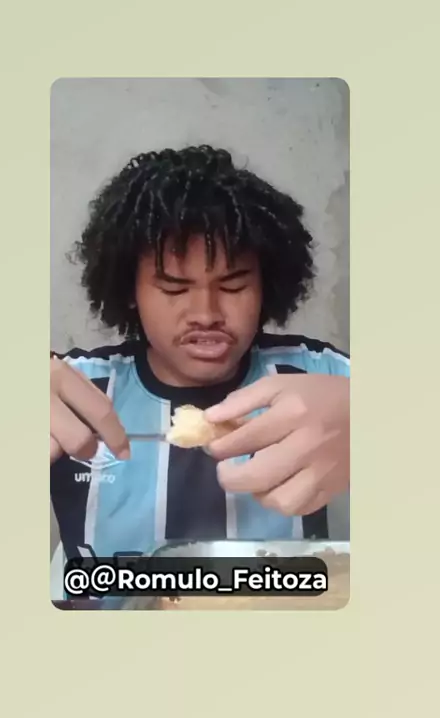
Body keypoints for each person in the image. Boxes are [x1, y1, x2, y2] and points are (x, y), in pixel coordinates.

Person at [50, 145, 349, 561]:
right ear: (129, 290)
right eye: (174, 288)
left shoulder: (316, 373)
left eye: (233, 285)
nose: (206, 314)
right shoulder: (77, 388)